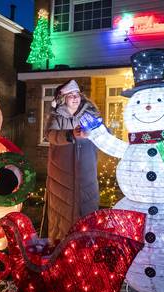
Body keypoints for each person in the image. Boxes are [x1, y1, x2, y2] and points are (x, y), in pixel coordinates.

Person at [41, 79, 100, 241]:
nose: (75, 98)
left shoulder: (91, 114)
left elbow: (104, 134)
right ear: (63, 99)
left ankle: (86, 247)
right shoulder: (57, 116)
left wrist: (98, 131)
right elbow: (51, 135)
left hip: (86, 172)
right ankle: (62, 249)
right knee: (62, 212)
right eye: (70, 95)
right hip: (62, 173)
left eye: (77, 94)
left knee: (87, 209)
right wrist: (70, 135)